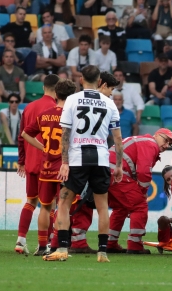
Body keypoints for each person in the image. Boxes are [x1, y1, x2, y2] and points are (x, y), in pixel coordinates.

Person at [43, 65, 123, 263]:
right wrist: (119, 165)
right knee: (103, 206)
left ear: (80, 80)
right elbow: (118, 139)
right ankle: (102, 252)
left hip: (78, 157)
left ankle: (62, 248)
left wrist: (64, 162)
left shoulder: (71, 100)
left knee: (63, 202)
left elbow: (66, 135)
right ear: (99, 82)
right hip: (102, 159)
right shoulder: (109, 103)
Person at [21, 78, 76, 256]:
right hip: (64, 168)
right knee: (63, 207)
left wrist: (43, 147)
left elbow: (24, 134)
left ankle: (42, 246)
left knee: (45, 207)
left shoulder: (45, 114)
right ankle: (60, 245)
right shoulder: (71, 115)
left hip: (46, 167)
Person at [106, 128, 172, 254]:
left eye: (169, 144)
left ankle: (110, 243)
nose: (166, 145)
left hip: (106, 171)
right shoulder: (150, 143)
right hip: (117, 173)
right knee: (139, 206)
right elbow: (143, 172)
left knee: (121, 208)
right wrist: (142, 192)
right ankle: (134, 245)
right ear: (157, 135)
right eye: (166, 140)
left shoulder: (142, 141)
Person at [15, 74, 59, 254]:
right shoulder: (56, 109)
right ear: (57, 89)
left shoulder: (29, 107)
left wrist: (21, 162)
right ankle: (46, 243)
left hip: (31, 163)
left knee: (31, 202)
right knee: (49, 205)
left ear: (43, 88)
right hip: (48, 164)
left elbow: (21, 135)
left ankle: (20, 240)